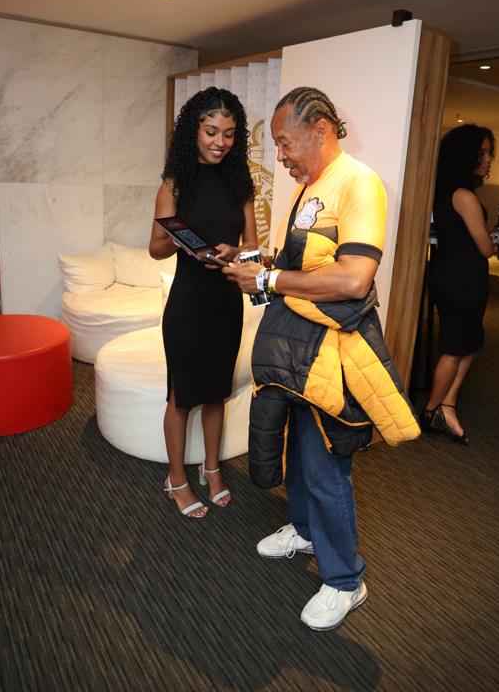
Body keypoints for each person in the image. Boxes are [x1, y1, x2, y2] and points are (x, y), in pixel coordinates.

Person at [225, 86, 420, 630]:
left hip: (332, 351)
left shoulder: (358, 182)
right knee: (298, 450)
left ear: (321, 130)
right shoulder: (310, 186)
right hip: (296, 344)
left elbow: (353, 278)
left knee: (326, 463)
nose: (281, 155)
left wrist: (268, 280)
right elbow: (305, 266)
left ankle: (344, 580)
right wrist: (258, 263)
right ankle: (305, 529)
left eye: (285, 143)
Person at [149, 87, 257, 518]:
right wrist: (181, 243)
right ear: (193, 131)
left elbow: (253, 248)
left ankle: (211, 468)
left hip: (226, 304)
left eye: (229, 134)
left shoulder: (240, 185)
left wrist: (236, 252)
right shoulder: (174, 184)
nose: (219, 142)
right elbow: (155, 249)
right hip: (189, 304)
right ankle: (176, 478)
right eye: (211, 131)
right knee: (182, 396)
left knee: (216, 393)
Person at [420, 124, 497, 444]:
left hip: (453, 273)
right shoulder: (464, 196)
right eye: (482, 153)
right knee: (455, 348)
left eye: (489, 152)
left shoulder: (445, 193)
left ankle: (447, 406)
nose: (489, 159)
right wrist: (495, 240)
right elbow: (485, 248)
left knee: (468, 342)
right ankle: (431, 412)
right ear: (465, 156)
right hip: (462, 278)